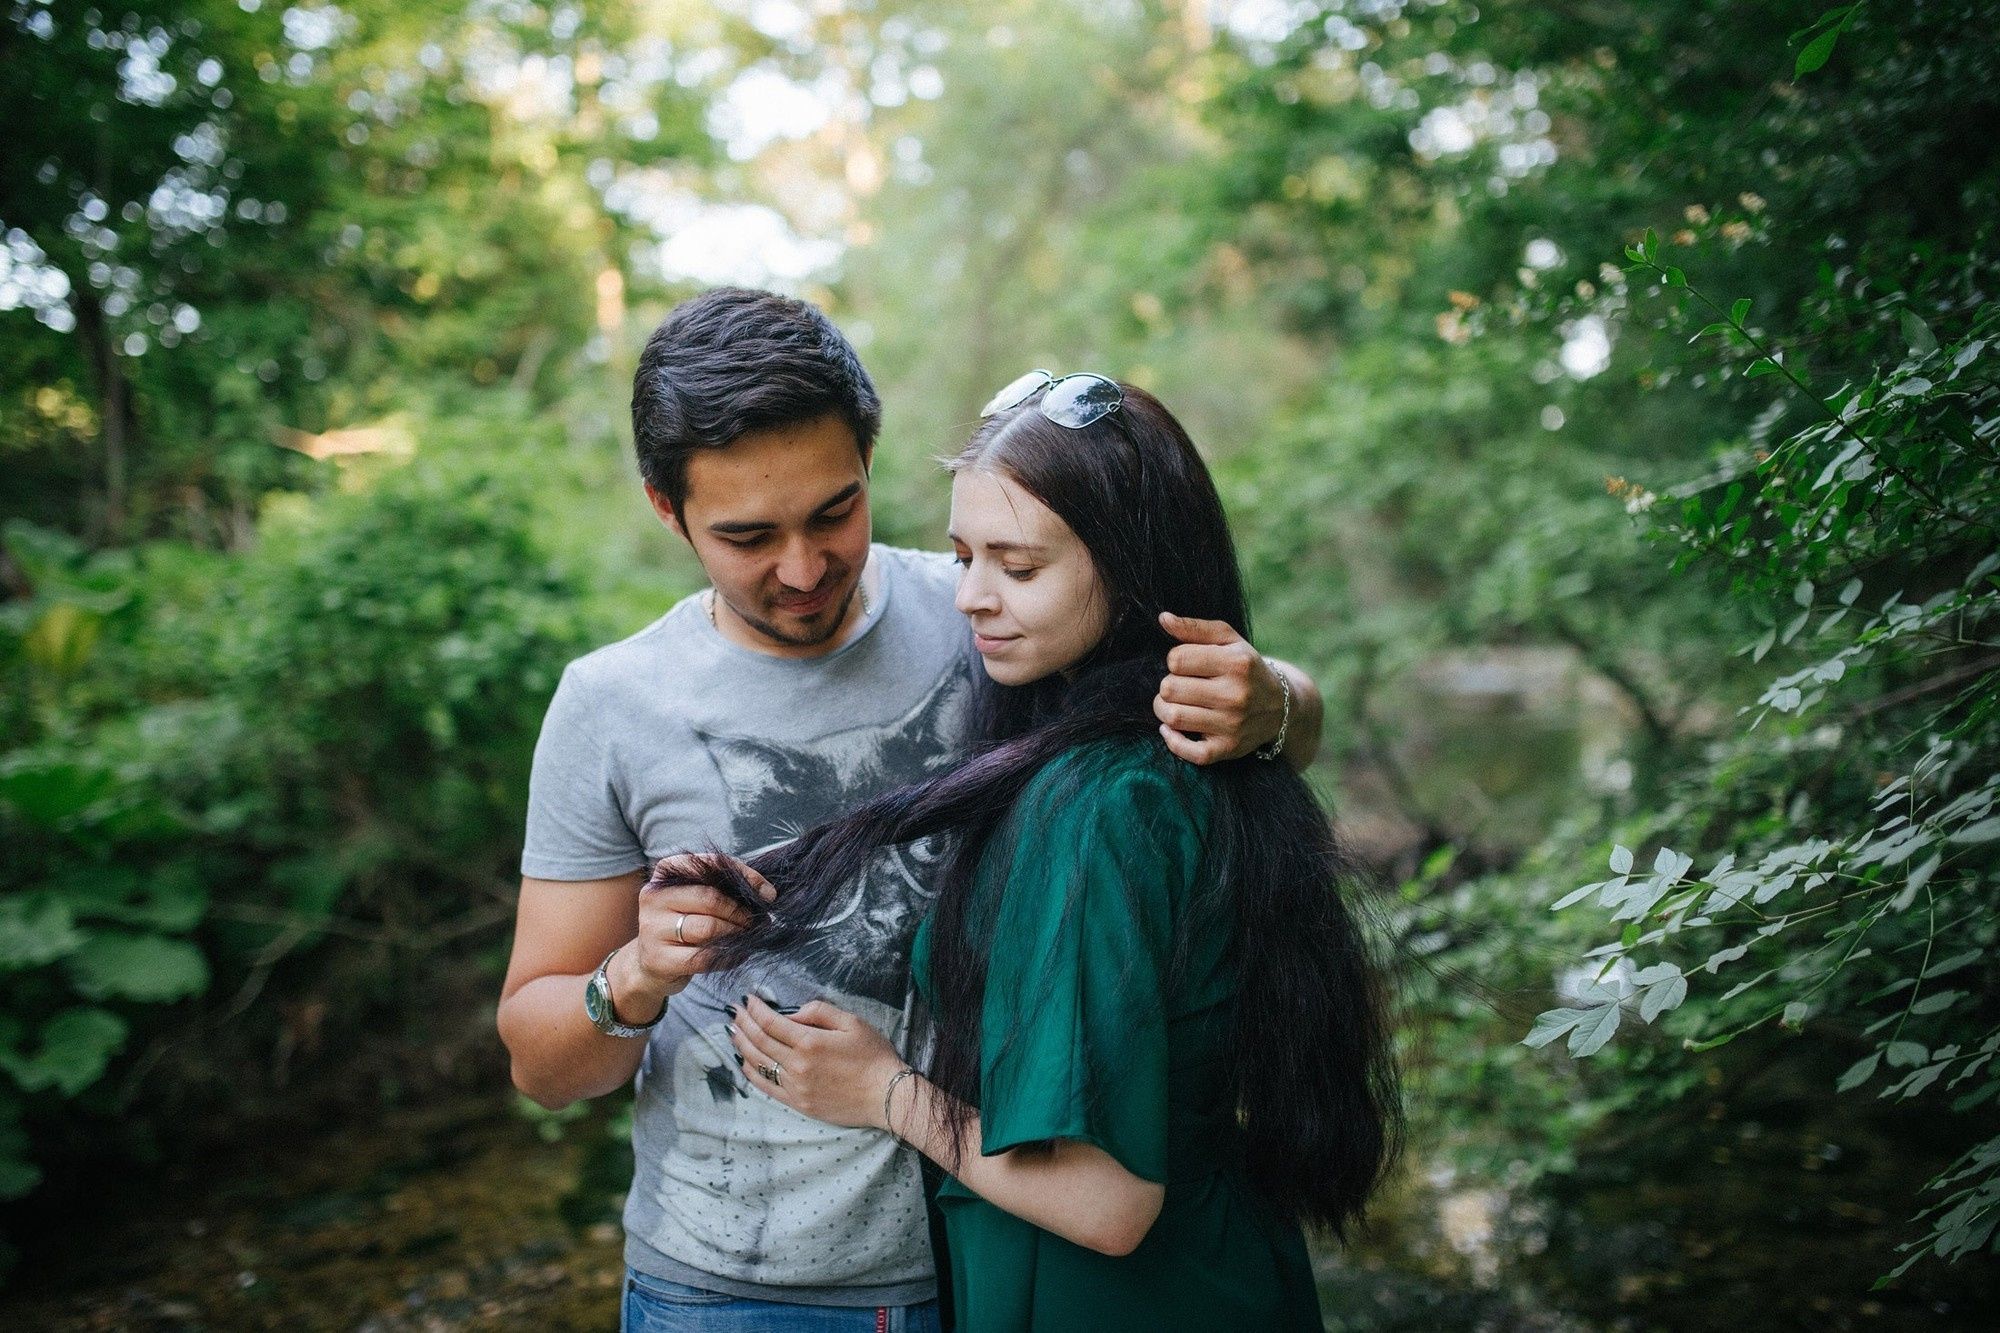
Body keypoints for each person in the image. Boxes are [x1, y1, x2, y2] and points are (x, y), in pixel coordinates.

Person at [494, 289, 1325, 1329]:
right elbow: (539, 1063)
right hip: (735, 1293)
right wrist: (636, 974)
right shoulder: (611, 705)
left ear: (868, 462)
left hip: (988, 1263)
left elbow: (1194, 708)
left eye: (833, 512)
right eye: (748, 536)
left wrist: (1278, 700)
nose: (803, 569)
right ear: (669, 510)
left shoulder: (989, 607)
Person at [706, 372, 1401, 1331]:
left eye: (1019, 568)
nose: (970, 597)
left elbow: (1106, 1201)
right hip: (1230, 1268)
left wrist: (883, 1090)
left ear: (1132, 567)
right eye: (963, 557)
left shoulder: (1096, 806)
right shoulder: (1166, 745)